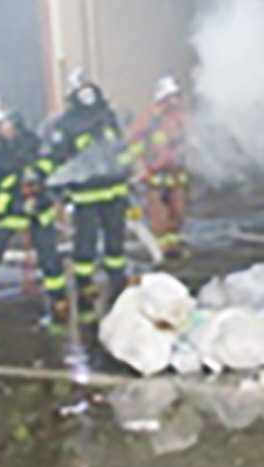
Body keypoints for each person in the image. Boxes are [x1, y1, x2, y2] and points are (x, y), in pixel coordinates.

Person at [0, 98, 69, 327]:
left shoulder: (33, 144)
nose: (9, 128)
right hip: (6, 217)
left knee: (50, 259)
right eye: (3, 125)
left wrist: (40, 181)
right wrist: (17, 204)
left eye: (11, 123)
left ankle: (59, 298)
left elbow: (51, 164)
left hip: (39, 211)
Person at [48, 69, 130, 317]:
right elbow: (57, 157)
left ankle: (117, 279)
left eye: (89, 90)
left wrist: (126, 168)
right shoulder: (66, 124)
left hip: (114, 190)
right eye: (81, 91)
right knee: (86, 242)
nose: (87, 96)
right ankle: (84, 283)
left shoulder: (107, 116)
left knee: (116, 240)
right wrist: (57, 186)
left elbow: (120, 147)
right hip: (86, 195)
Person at [127, 75, 190, 260]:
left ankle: (174, 245)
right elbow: (133, 140)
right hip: (155, 174)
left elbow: (187, 140)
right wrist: (140, 163)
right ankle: (163, 249)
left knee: (177, 211)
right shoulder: (149, 118)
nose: (175, 101)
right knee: (159, 214)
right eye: (171, 97)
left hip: (176, 173)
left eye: (177, 96)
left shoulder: (179, 117)